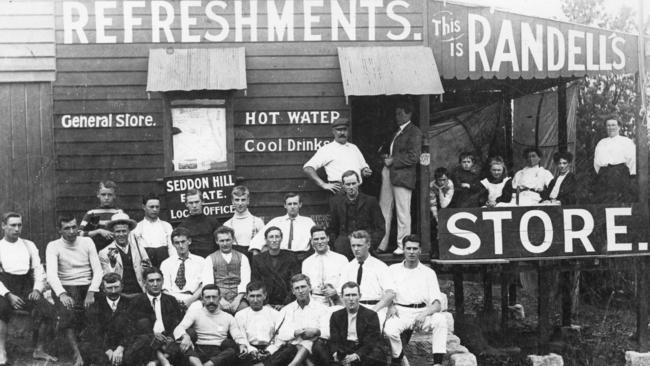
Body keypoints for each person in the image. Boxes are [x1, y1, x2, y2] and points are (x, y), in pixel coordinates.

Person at [46, 215, 103, 366]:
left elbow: (98, 270)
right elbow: (51, 274)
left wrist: (92, 292)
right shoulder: (53, 246)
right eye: (67, 228)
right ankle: (77, 353)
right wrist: (62, 294)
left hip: (87, 285)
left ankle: (93, 351)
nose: (72, 231)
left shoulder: (87, 241)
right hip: (66, 286)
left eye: (74, 227)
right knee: (68, 312)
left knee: (95, 312)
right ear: (59, 230)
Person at [0, 213, 56, 364]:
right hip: (5, 287)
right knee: (1, 309)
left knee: (47, 310)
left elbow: (38, 270)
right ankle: (1, 351)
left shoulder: (28, 245)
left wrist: (37, 289)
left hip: (26, 287)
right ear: (3, 226)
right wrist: (8, 294)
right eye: (13, 225)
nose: (17, 228)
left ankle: (39, 349)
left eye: (19, 225)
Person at [384, 235, 448, 366]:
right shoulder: (392, 270)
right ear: (403, 249)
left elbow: (437, 304)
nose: (411, 252)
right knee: (390, 330)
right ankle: (401, 359)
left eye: (415, 248)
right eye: (408, 248)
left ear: (420, 250)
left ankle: (437, 363)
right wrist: (390, 306)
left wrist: (424, 314)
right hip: (400, 312)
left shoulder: (428, 272)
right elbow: (386, 293)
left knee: (440, 320)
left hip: (422, 312)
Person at [378, 102, 422, 255]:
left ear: (409, 114)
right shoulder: (397, 131)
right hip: (389, 172)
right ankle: (382, 244)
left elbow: (414, 157)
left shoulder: (414, 132)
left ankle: (403, 245)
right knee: (384, 209)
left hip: (402, 176)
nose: (397, 117)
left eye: (400, 113)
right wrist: (387, 158)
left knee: (403, 212)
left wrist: (393, 160)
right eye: (396, 114)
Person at [174, 284, 248, 366]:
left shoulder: (228, 317)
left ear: (219, 298)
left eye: (214, 297)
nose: (211, 301)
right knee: (183, 344)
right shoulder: (194, 313)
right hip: (198, 351)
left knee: (232, 351)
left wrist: (242, 344)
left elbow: (237, 335)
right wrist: (185, 336)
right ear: (202, 299)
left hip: (219, 353)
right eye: (208, 297)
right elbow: (179, 328)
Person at [124, 267, 184, 366]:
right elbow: (131, 327)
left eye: (158, 280)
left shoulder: (171, 300)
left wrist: (171, 337)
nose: (155, 284)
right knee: (144, 337)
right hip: (147, 341)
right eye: (151, 281)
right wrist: (153, 334)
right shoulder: (136, 301)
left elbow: (178, 323)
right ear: (144, 283)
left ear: (163, 281)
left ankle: (154, 362)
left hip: (167, 340)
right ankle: (163, 360)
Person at [266, 274, 330, 366]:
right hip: (292, 350)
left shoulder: (322, 309)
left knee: (312, 343)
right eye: (297, 288)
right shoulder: (286, 310)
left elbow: (328, 332)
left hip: (316, 351)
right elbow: (280, 335)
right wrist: (295, 333)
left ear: (310, 287)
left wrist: (316, 331)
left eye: (303, 287)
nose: (300, 291)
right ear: (293, 291)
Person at [339, 230, 396, 328]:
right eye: (353, 246)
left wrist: (372, 311)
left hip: (375, 308)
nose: (356, 249)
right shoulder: (347, 268)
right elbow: (340, 293)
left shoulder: (380, 266)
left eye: (359, 245)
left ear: (368, 245)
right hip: (353, 308)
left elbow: (390, 293)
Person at [303, 117, 372, 194]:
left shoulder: (354, 147)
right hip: (340, 191)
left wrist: (365, 170)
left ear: (348, 131)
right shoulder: (327, 149)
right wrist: (323, 184)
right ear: (333, 131)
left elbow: (363, 167)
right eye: (339, 130)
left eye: (344, 129)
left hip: (357, 189)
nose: (342, 133)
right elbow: (308, 168)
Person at [327, 170, 385, 258]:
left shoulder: (370, 201)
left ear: (359, 183)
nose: (351, 187)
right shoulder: (336, 203)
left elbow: (380, 227)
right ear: (343, 186)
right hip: (343, 248)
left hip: (365, 246)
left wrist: (370, 245)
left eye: (353, 183)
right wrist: (336, 245)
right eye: (348, 184)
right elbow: (332, 228)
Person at [79, 273, 131, 366]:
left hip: (124, 346)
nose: (113, 291)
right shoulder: (96, 306)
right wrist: (108, 350)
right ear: (103, 289)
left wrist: (120, 348)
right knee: (85, 346)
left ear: (122, 287)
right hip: (104, 347)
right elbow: (94, 331)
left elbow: (132, 329)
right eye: (109, 288)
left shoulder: (130, 304)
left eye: (116, 287)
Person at [327, 282, 385, 366]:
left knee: (376, 354)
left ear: (360, 296)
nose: (351, 299)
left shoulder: (371, 315)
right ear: (342, 297)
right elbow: (334, 339)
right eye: (347, 295)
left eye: (354, 295)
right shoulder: (336, 316)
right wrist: (336, 353)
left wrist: (357, 355)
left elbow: (371, 342)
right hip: (345, 349)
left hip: (362, 350)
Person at [249, 193, 316, 261]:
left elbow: (317, 238)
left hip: (301, 258)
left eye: (295, 203)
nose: (292, 206)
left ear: (300, 204)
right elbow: (258, 239)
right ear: (285, 205)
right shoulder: (276, 221)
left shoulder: (308, 222)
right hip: (281, 258)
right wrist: (256, 252)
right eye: (289, 204)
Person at [98, 213, 150, 297]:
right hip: (119, 295)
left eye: (124, 231)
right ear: (113, 232)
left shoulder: (139, 249)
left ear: (129, 231)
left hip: (140, 293)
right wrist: (112, 264)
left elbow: (148, 270)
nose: (121, 234)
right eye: (118, 231)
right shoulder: (105, 252)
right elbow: (107, 278)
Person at [202, 226, 251, 314]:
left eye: (228, 240)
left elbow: (246, 281)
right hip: (217, 298)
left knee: (245, 312)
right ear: (217, 241)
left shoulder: (243, 257)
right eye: (222, 241)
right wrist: (220, 299)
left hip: (239, 297)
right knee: (215, 313)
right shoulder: (209, 259)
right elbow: (208, 283)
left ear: (233, 240)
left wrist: (237, 300)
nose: (225, 244)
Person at [251, 227, 300, 308]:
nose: (274, 240)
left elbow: (295, 282)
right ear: (266, 240)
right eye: (271, 237)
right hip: (265, 304)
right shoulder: (258, 259)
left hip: (288, 304)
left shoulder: (291, 257)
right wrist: (265, 304)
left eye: (277, 237)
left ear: (281, 239)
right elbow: (255, 283)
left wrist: (285, 305)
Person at [234, 281, 282, 364]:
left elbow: (279, 338)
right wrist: (251, 350)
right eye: (252, 296)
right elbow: (242, 338)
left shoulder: (275, 314)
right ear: (246, 297)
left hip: (270, 350)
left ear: (265, 296)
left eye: (259, 296)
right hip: (249, 349)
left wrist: (269, 351)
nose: (255, 300)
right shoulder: (240, 315)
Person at [593, 117, 636, 203]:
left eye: (613, 125)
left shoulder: (626, 141)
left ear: (619, 127)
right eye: (608, 125)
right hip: (604, 175)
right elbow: (596, 163)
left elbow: (632, 160)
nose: (610, 127)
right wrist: (602, 174)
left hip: (620, 174)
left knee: (619, 201)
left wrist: (632, 175)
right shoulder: (601, 143)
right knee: (604, 201)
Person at [302, 225, 348, 306]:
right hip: (315, 302)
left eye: (322, 238)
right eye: (316, 239)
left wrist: (335, 292)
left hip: (338, 301)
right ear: (312, 241)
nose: (320, 242)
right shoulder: (307, 263)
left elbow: (347, 282)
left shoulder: (341, 259)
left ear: (328, 238)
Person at [160, 227, 205, 307]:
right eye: (177, 243)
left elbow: (203, 285)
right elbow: (164, 289)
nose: (181, 246)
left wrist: (190, 301)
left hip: (193, 298)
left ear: (189, 241)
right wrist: (174, 301)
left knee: (196, 308)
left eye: (183, 242)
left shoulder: (200, 261)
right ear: (173, 244)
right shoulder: (166, 263)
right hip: (171, 299)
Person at [80, 180, 124, 252]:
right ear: (98, 194)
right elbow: (79, 233)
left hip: (115, 251)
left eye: (109, 195)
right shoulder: (92, 213)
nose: (106, 198)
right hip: (95, 250)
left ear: (114, 195)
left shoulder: (118, 213)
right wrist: (98, 231)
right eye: (103, 194)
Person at [133, 193, 174, 268]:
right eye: (151, 207)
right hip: (146, 265)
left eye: (157, 207)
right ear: (144, 207)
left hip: (165, 264)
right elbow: (135, 252)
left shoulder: (166, 226)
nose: (155, 209)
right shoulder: (137, 228)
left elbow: (172, 249)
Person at [178, 189, 221, 258]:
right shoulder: (182, 226)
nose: (194, 205)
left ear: (202, 202)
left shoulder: (213, 222)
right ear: (186, 204)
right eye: (191, 203)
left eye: (197, 202)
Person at [223, 186, 264, 255]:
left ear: (248, 201)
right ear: (232, 201)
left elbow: (264, 245)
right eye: (237, 200)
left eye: (243, 200)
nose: (240, 203)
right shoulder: (227, 225)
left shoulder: (258, 222)